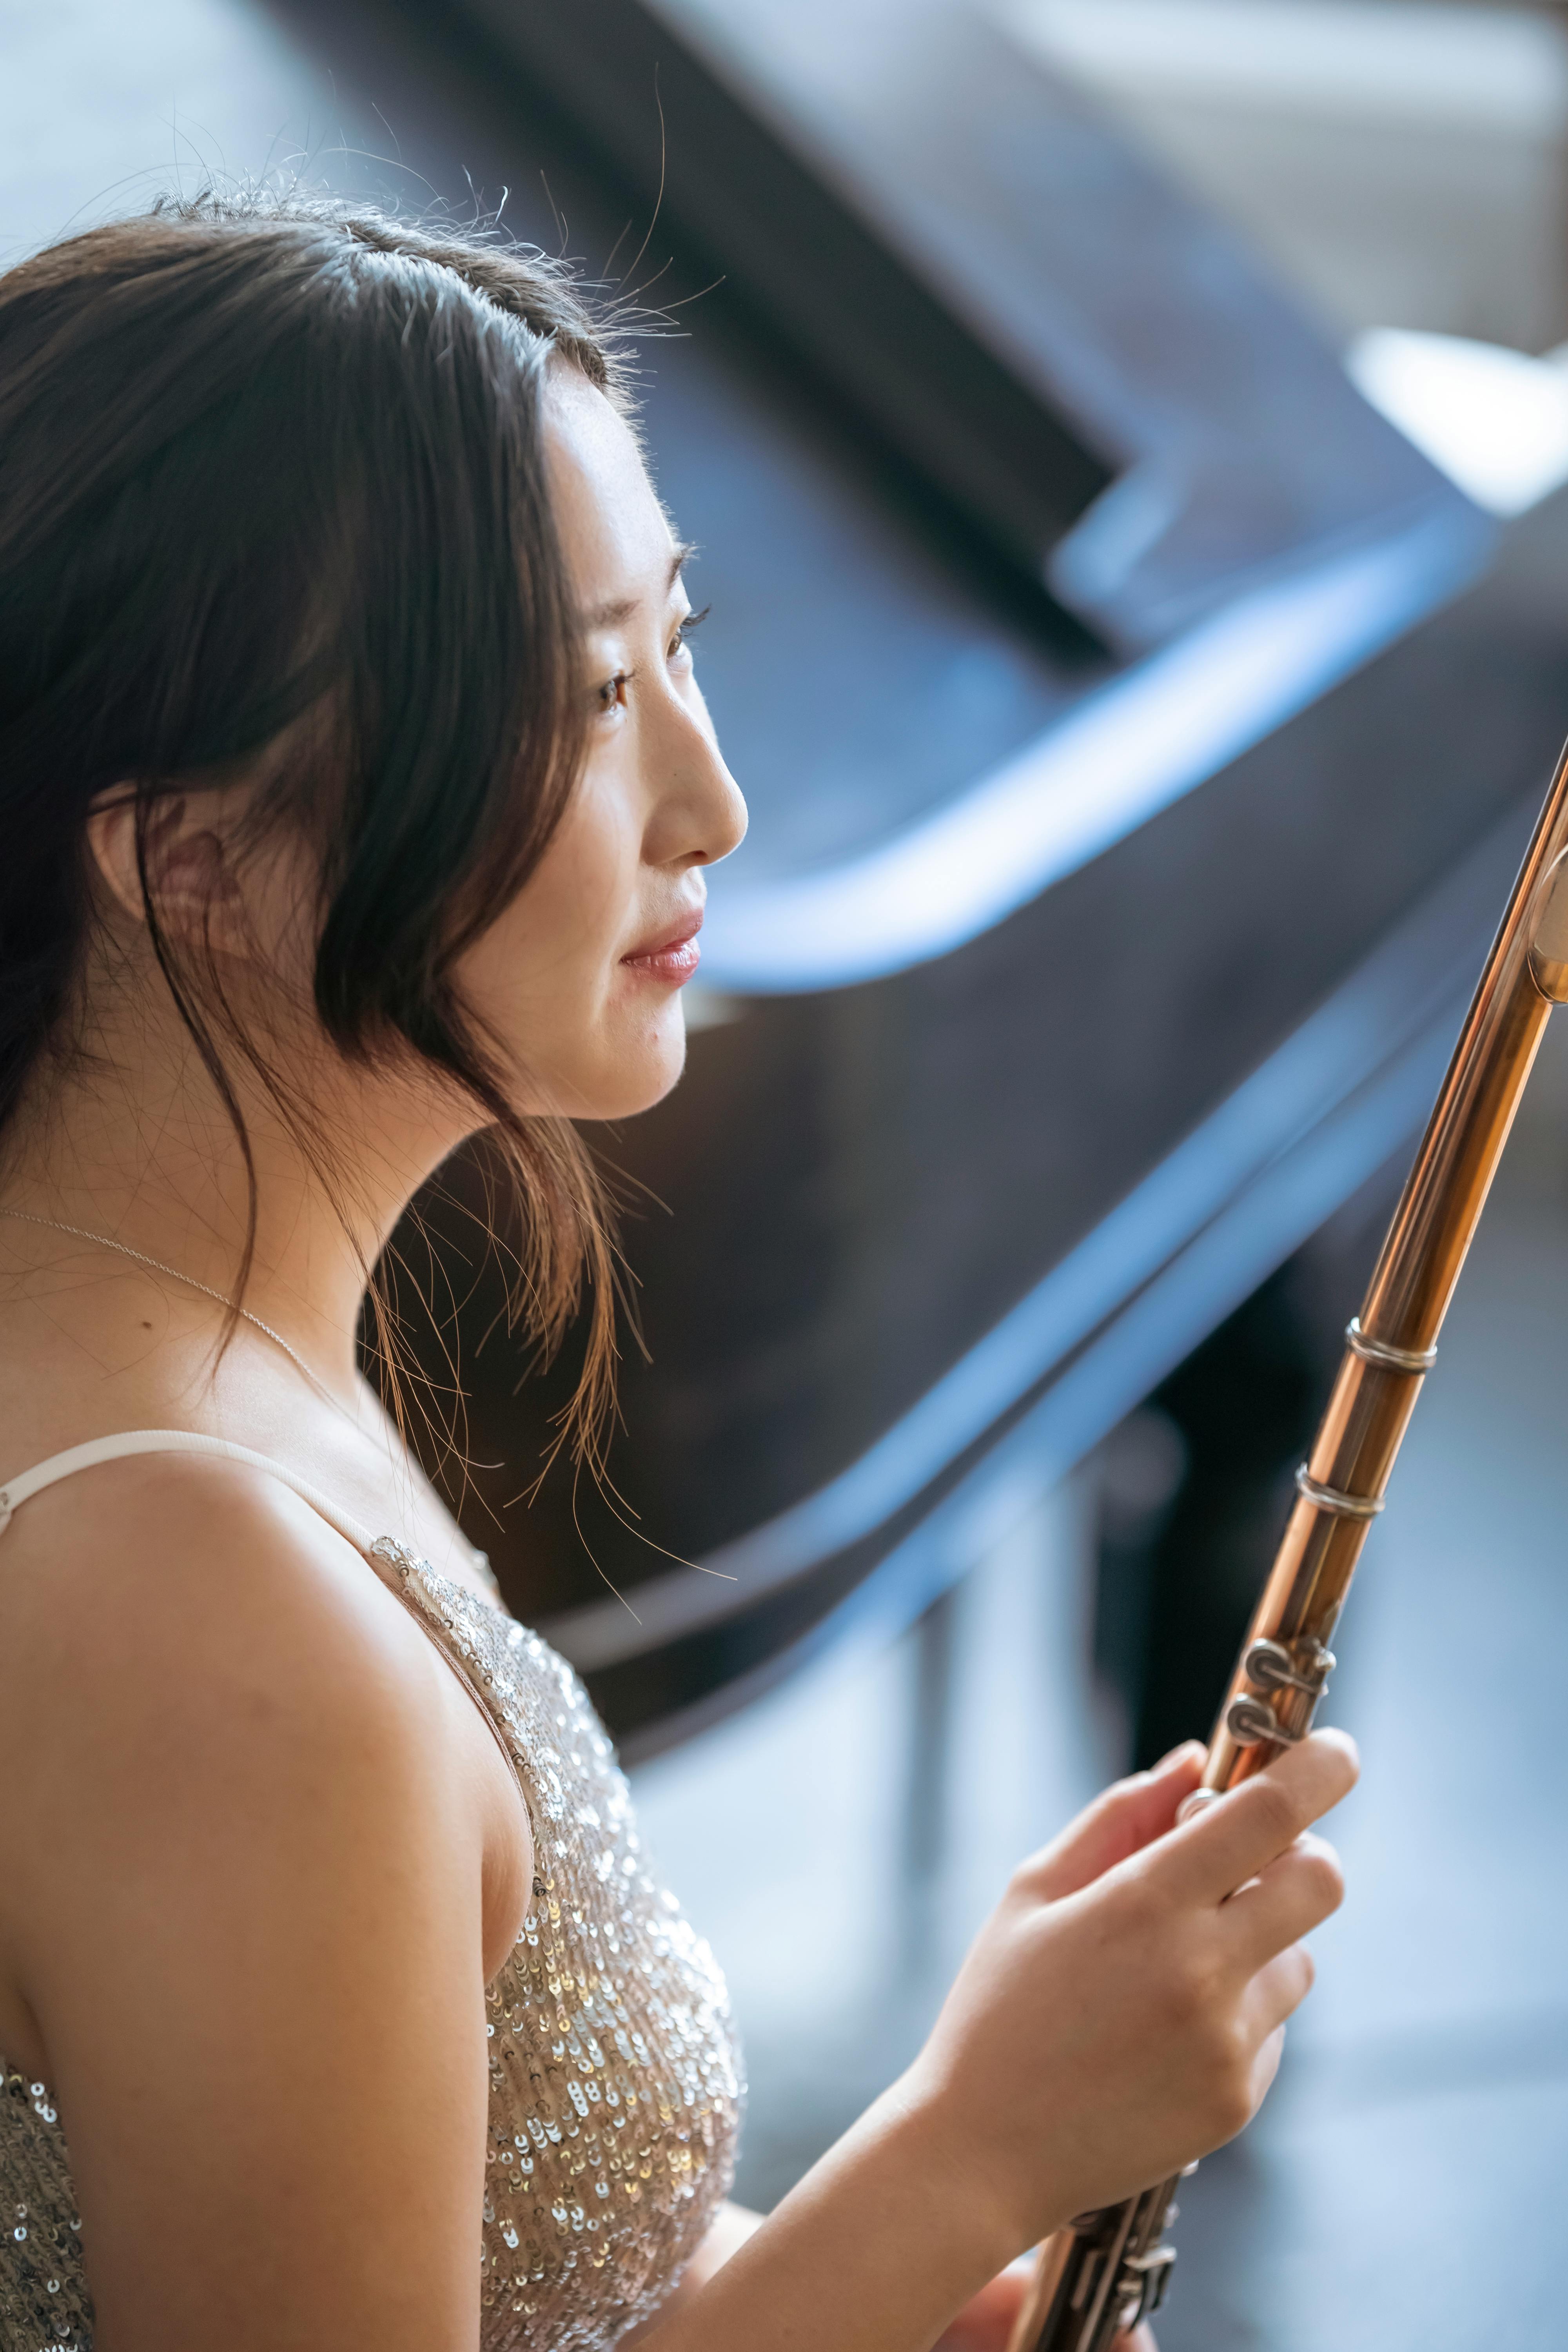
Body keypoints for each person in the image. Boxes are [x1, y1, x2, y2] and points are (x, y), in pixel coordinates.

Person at [0, 193, 1356, 2352]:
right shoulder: (190, 1601)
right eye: (590, 697)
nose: (712, 803)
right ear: (197, 861)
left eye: (682, 645)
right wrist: (965, 2155)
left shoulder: (218, 1380)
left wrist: (849, 2281)